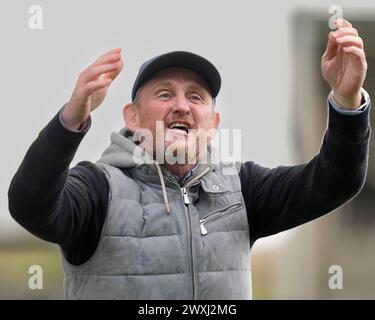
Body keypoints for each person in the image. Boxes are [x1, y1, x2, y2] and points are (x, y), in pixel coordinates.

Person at [8, 18, 370, 300]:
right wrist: (70, 120)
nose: (181, 105)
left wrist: (347, 101)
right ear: (132, 117)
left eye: (196, 97)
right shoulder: (97, 189)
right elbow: (29, 204)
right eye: (164, 94)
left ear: (213, 124)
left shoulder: (242, 188)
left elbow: (335, 182)